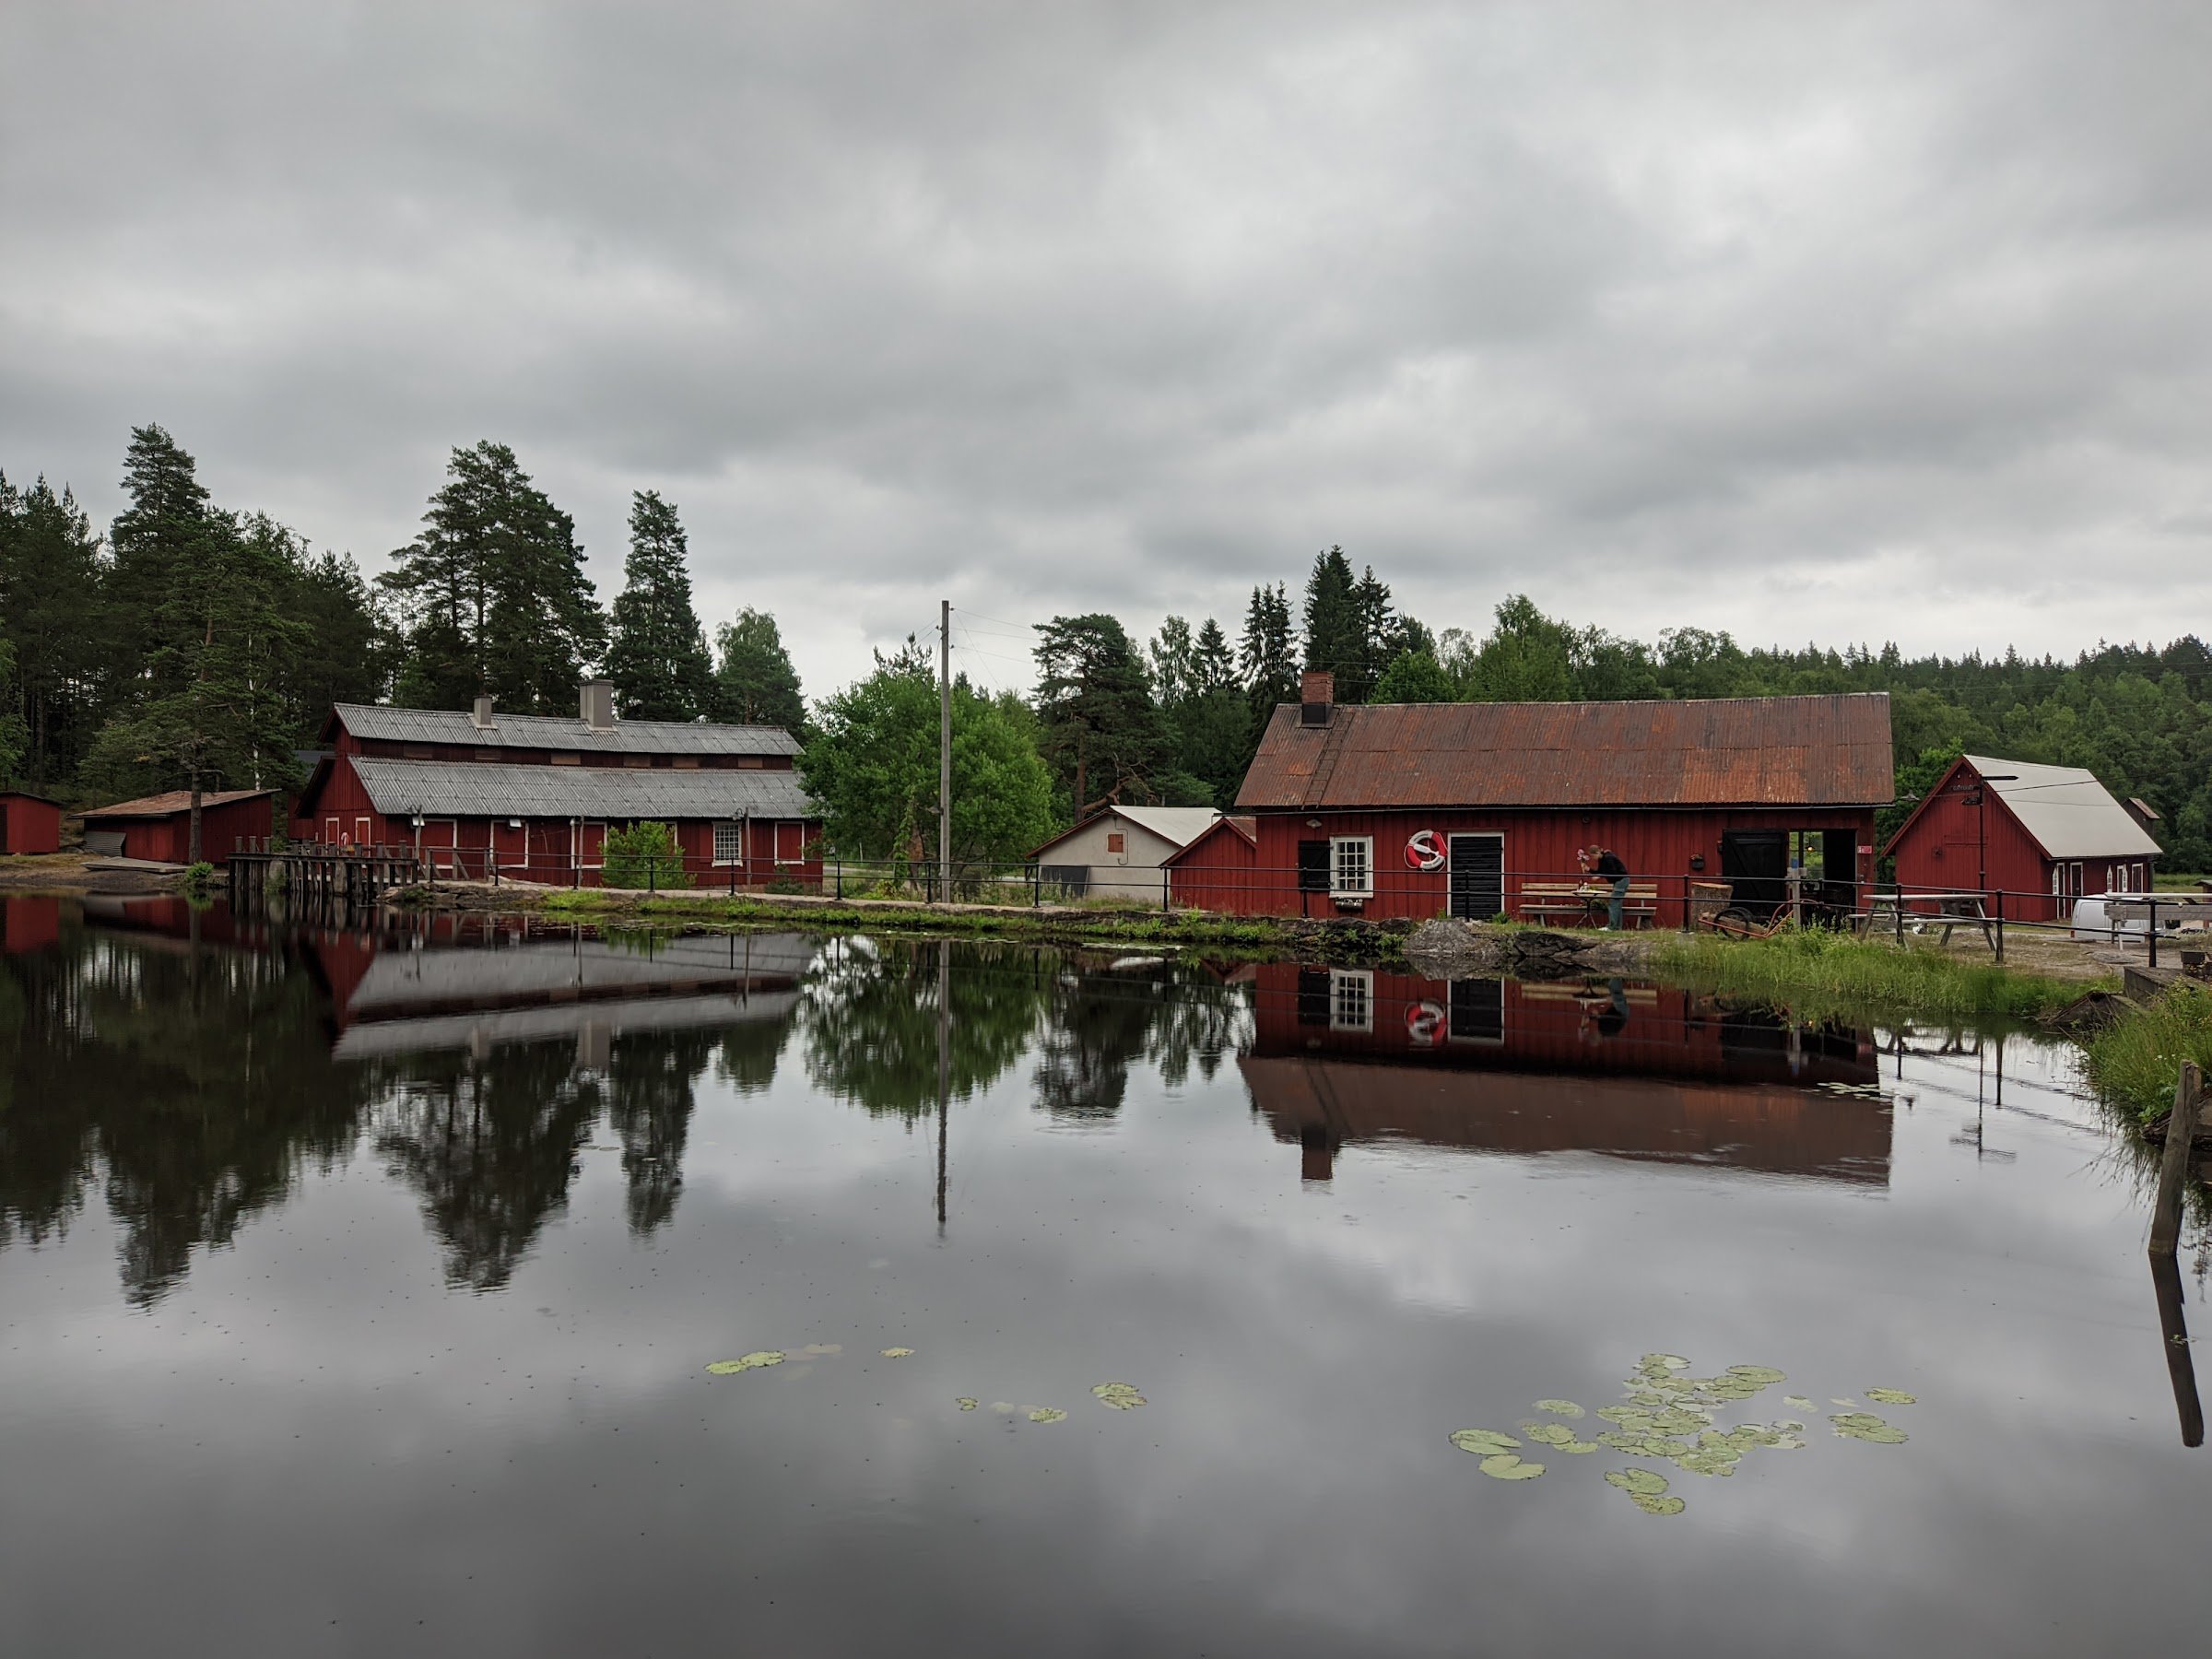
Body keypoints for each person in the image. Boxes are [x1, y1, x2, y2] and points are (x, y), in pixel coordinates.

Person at [1593, 846, 1630, 929]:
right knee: (1617, 904)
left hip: (1621, 880)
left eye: (1593, 856)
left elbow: (1612, 872)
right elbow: (1600, 871)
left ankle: (1612, 926)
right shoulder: (1602, 860)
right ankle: (1617, 927)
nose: (1593, 858)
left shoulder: (1608, 858)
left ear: (1597, 853)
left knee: (1613, 903)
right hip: (1618, 881)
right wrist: (1589, 870)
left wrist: (1600, 876)